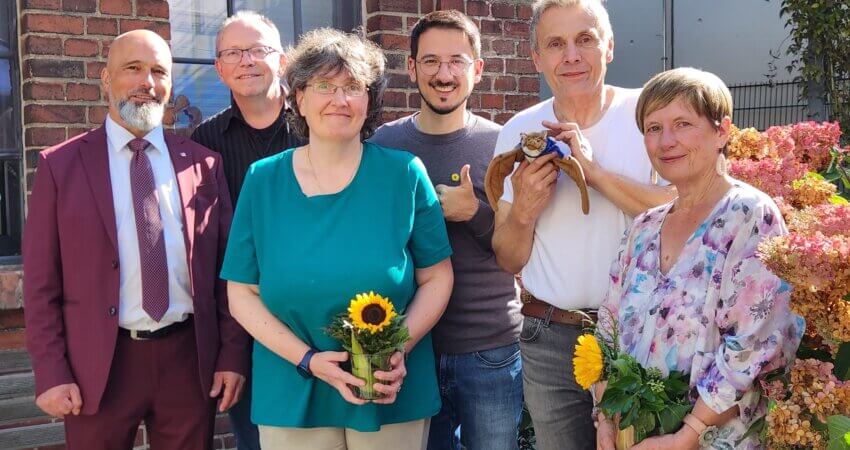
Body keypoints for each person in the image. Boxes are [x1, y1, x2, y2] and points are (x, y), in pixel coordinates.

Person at [221, 28, 454, 450]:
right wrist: (308, 360)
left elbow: (438, 278)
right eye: (324, 86)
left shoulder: (404, 175)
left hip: (386, 383)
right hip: (291, 383)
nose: (340, 99)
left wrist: (396, 347)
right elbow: (241, 294)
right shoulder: (263, 181)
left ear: (369, 100)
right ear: (300, 98)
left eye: (353, 87)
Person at [23, 30, 249, 450]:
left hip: (187, 359)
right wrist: (52, 373)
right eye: (133, 68)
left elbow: (228, 274)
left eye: (158, 71)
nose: (147, 81)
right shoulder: (61, 166)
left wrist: (232, 356)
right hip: (99, 366)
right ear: (106, 80)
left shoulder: (202, 165)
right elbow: (40, 285)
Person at [490, 1, 677, 449]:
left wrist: (596, 175)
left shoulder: (650, 118)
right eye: (555, 44)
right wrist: (524, 210)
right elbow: (508, 257)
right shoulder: (518, 130)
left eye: (585, 39)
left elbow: (685, 210)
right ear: (537, 58)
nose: (571, 55)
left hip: (639, 333)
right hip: (549, 334)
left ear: (609, 47)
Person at [595, 67, 803, 450]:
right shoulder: (642, 229)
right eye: (653, 128)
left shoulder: (749, 216)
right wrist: (605, 415)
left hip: (713, 441)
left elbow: (756, 345)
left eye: (682, 124)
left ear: (722, 131)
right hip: (635, 438)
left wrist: (686, 435)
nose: (666, 141)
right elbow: (607, 328)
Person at [370, 10, 523, 450]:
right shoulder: (384, 146)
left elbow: (521, 247)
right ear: (412, 68)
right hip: (411, 348)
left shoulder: (502, 146)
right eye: (431, 61)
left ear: (476, 70)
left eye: (456, 61)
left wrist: (473, 213)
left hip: (489, 346)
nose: (444, 74)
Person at [190, 12, 304, 450]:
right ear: (219, 69)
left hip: (316, 310)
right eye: (233, 53)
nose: (247, 61)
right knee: (256, 440)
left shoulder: (316, 126)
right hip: (243, 319)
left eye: (258, 49)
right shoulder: (205, 140)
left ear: (283, 59)